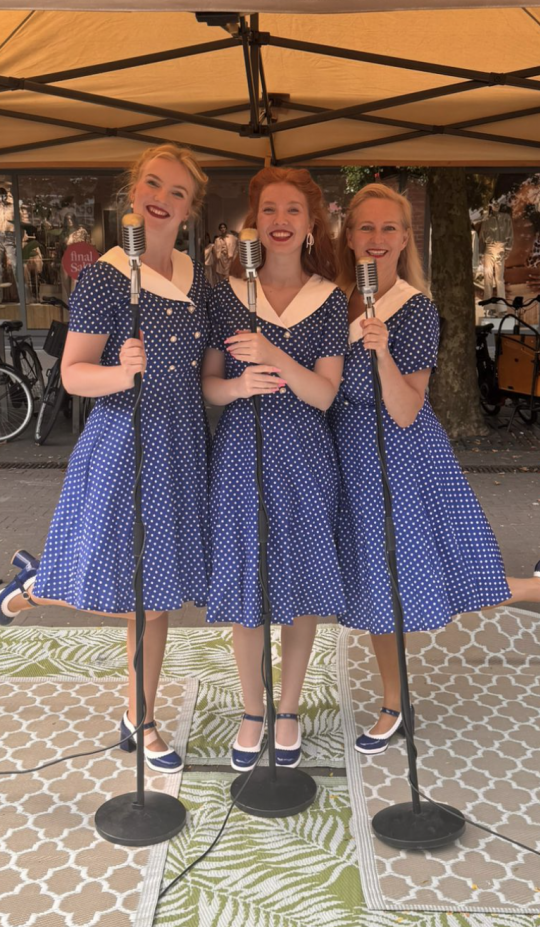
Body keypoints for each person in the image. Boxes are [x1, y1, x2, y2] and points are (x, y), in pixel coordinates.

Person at [329, 184, 540, 756]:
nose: (376, 238)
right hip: (348, 455)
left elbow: (405, 408)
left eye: (389, 228)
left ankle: (394, 706)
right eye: (365, 227)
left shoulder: (416, 310)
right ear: (349, 237)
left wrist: (381, 350)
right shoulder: (333, 299)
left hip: (401, 457)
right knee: (381, 583)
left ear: (405, 239)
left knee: (431, 578)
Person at [0, 144, 212, 774]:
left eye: (176, 192)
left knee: (157, 592)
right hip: (125, 442)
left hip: (181, 444)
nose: (161, 199)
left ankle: (138, 716)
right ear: (133, 192)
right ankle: (36, 589)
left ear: (189, 210)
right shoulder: (107, 278)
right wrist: (120, 372)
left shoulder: (196, 276)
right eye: (153, 184)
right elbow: (72, 374)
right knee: (121, 585)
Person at [203, 167, 347, 772]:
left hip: (306, 456)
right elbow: (208, 384)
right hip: (241, 452)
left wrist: (274, 355)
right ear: (254, 221)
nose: (280, 221)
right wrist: (239, 387)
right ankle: (252, 709)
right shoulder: (226, 295)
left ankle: (289, 709)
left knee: (302, 582)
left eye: (293, 210)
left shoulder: (331, 298)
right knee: (246, 584)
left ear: (312, 224)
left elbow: (326, 394)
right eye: (269, 209)